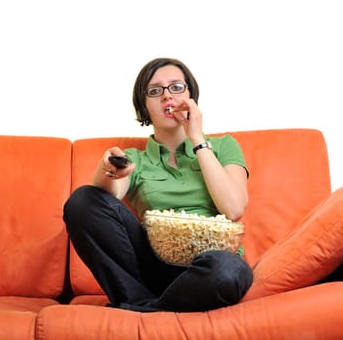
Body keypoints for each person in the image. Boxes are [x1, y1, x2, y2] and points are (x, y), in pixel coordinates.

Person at [63, 57, 253, 312]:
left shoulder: (222, 146)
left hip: (211, 266)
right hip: (153, 268)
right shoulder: (137, 159)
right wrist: (109, 169)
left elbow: (234, 208)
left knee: (226, 270)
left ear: (191, 96)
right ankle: (151, 304)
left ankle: (146, 309)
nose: (166, 96)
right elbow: (102, 201)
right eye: (155, 91)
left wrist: (197, 138)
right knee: (82, 199)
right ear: (144, 106)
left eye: (176, 87)